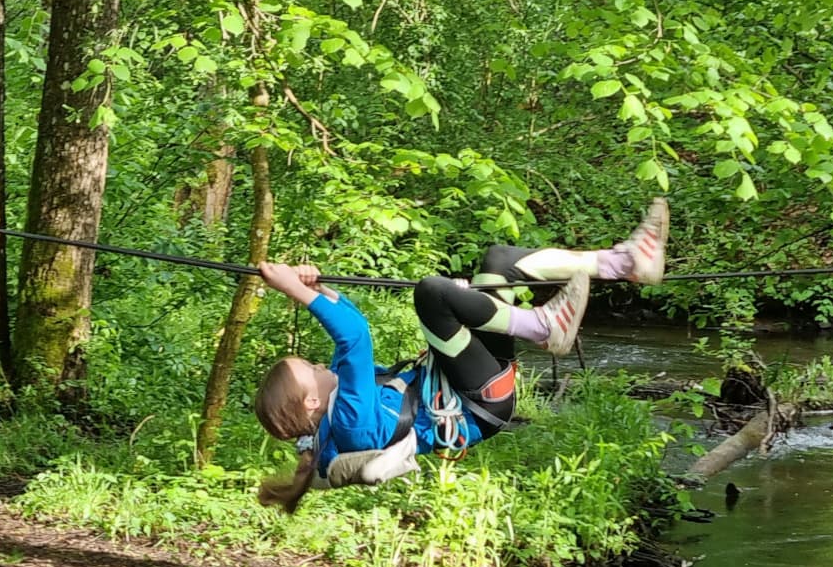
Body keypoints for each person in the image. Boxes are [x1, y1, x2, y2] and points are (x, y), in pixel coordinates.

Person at [251, 200, 669, 512]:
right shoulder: (348, 418)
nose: (316, 363)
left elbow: (351, 322)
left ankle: (627, 262)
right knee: (431, 293)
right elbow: (356, 337)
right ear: (310, 401)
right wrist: (295, 291)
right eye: (308, 368)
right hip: (477, 400)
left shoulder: (339, 393)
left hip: (464, 380)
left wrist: (316, 286)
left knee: (499, 262)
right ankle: (544, 329)